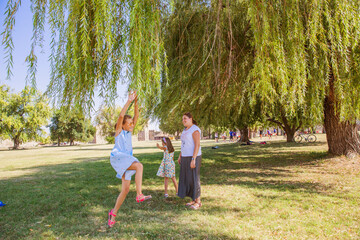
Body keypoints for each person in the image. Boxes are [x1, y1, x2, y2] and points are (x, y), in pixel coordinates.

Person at [107, 91, 152, 228]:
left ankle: (113, 214)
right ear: (123, 125)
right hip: (119, 157)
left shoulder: (129, 132)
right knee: (139, 166)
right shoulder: (119, 132)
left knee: (125, 189)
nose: (132, 124)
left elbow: (137, 116)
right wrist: (129, 101)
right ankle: (139, 194)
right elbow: (121, 115)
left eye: (132, 123)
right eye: (130, 123)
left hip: (126, 160)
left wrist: (136, 102)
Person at [178, 112, 202, 210]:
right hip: (185, 157)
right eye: (182, 119)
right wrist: (180, 156)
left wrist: (193, 159)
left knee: (194, 178)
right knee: (188, 179)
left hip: (193, 157)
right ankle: (193, 199)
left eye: (185, 118)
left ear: (191, 118)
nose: (183, 120)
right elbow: (183, 144)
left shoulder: (195, 129)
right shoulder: (185, 130)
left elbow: (197, 145)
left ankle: (198, 202)